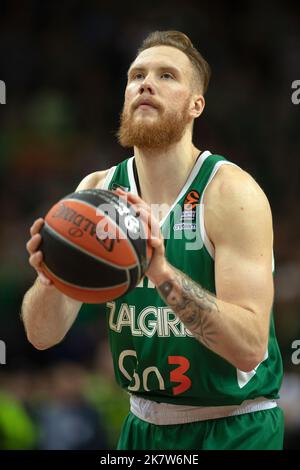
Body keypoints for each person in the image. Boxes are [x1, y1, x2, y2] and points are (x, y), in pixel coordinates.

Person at [22, 30, 284, 450]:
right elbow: (41, 335)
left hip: (235, 426)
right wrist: (50, 277)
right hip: (142, 425)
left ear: (196, 104)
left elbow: (249, 348)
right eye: (137, 75)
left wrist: (160, 271)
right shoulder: (96, 192)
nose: (146, 83)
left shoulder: (230, 192)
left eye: (167, 76)